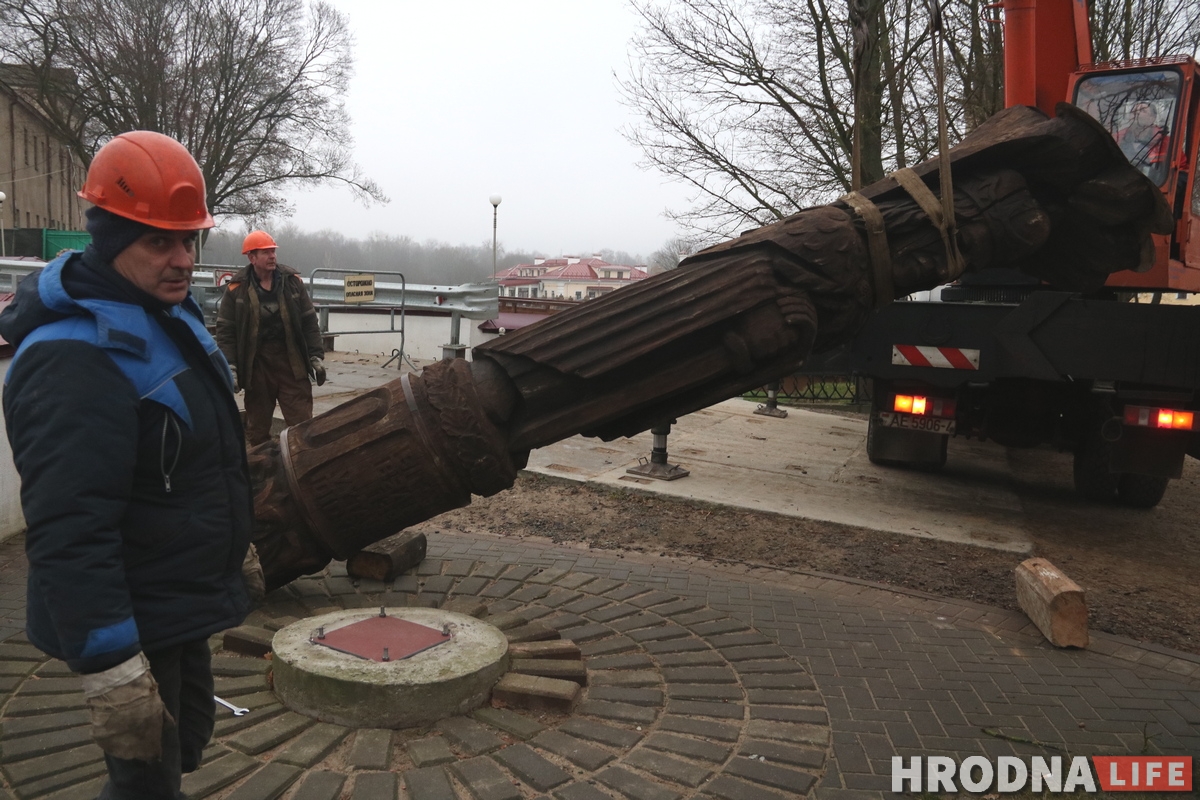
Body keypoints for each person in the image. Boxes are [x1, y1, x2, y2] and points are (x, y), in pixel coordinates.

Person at [0, 131, 261, 798]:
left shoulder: (156, 316)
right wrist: (111, 665)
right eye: (158, 242)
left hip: (175, 603)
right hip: (132, 618)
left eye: (189, 240)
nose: (182, 260)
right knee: (144, 780)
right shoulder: (75, 357)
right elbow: (69, 527)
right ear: (111, 241)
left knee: (181, 749)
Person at [216, 230, 325, 446]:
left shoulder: (292, 283)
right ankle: (261, 473)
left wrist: (315, 357)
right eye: (265, 252)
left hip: (291, 364)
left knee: (303, 426)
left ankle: (303, 471)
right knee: (257, 431)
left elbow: (309, 322)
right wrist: (231, 367)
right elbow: (226, 331)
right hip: (257, 367)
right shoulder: (236, 289)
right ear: (252, 257)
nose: (272, 256)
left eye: (273, 251)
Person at [1115, 101, 1168, 180]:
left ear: (1152, 118)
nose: (1137, 113)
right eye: (1134, 111)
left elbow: (1180, 170)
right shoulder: (1116, 139)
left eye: (1143, 110)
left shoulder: (1165, 142)